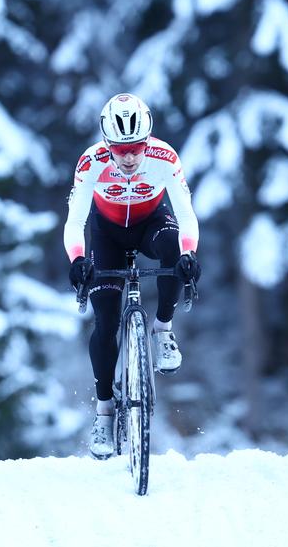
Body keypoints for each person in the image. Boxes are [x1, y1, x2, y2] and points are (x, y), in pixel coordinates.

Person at [63, 92, 201, 459]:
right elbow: (75, 221)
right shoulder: (91, 162)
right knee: (106, 323)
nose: (128, 156)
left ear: (148, 140)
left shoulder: (164, 157)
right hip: (105, 233)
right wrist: (78, 259)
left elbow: (186, 214)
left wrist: (188, 254)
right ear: (106, 143)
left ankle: (162, 329)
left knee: (174, 248)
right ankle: (105, 411)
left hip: (150, 225)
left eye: (136, 147)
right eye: (119, 149)